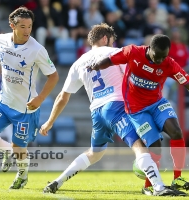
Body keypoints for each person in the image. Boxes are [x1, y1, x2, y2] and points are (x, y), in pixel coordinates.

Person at [40, 24, 182, 196]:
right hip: (116, 106)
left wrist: (49, 122)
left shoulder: (78, 63)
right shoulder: (115, 53)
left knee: (95, 153)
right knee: (140, 146)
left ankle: (58, 181)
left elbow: (62, 97)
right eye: (112, 40)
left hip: (97, 112)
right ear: (106, 38)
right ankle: (158, 186)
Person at [87, 34, 189, 194]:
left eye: (164, 56)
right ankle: (147, 187)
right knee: (155, 147)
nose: (160, 60)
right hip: (136, 110)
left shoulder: (168, 64)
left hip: (157, 103)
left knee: (176, 132)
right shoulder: (133, 53)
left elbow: (186, 81)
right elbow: (111, 60)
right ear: (150, 49)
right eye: (157, 56)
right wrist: (97, 66)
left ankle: (177, 179)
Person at [0, 6, 59, 189]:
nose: (27, 31)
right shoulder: (0, 41)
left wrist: (40, 99)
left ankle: (22, 175)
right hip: (3, 102)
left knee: (19, 149)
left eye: (29, 26)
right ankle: (5, 150)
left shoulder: (36, 49)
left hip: (25, 109)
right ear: (12, 25)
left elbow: (54, 76)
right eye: (23, 26)